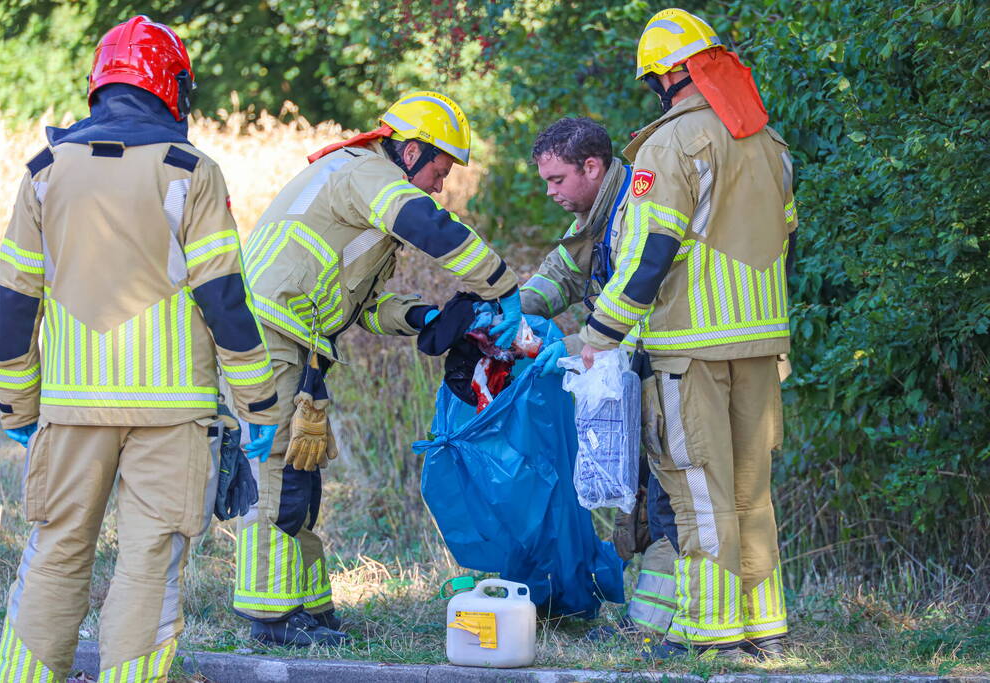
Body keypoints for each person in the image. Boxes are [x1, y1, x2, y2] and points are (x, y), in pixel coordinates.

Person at [0, 16, 280, 682]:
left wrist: (18, 408)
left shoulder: (42, 171)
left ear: (99, 84)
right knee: (149, 561)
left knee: (56, 551)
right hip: (172, 416)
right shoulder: (190, 170)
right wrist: (258, 402)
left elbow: (12, 300)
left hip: (69, 410)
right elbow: (225, 301)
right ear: (171, 86)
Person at [234, 90, 521, 646]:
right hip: (268, 336)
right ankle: (269, 621)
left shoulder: (364, 192)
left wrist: (430, 316)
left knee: (302, 474)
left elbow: (363, 307)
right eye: (439, 170)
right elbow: (431, 225)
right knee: (277, 472)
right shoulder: (367, 174)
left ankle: (310, 611)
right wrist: (503, 285)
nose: (442, 186)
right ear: (410, 151)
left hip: (294, 339)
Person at [574, 7, 797, 659]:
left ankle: (713, 635)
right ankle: (766, 630)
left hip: (690, 349)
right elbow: (781, 236)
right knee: (751, 492)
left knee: (701, 490)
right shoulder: (769, 145)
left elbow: (652, 251)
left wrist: (599, 332)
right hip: (760, 345)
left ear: (668, 76)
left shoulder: (671, 145)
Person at [521, 117, 680, 638]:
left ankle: (654, 627)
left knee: (667, 500)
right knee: (636, 499)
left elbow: (642, 297)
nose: (550, 193)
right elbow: (564, 272)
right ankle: (651, 619)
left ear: (592, 166)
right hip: (632, 376)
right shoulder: (597, 210)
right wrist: (509, 319)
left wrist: (572, 346)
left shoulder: (637, 203)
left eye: (557, 180)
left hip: (662, 367)